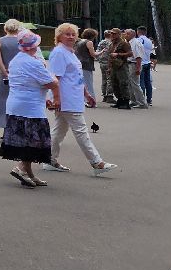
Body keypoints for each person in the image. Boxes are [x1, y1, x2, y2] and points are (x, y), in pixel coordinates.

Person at [43, 23, 117, 176]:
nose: (71, 36)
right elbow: (55, 78)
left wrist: (87, 94)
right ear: (59, 36)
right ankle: (97, 162)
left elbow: (76, 76)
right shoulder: (59, 53)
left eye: (73, 34)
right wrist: (56, 99)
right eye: (67, 34)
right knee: (81, 131)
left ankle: (48, 160)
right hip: (66, 99)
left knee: (59, 131)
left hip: (73, 97)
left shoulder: (70, 52)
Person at [0, 30, 59, 188]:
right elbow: (52, 83)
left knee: (27, 140)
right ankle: (20, 168)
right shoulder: (32, 62)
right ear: (35, 46)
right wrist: (56, 97)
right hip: (30, 107)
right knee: (35, 141)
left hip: (16, 105)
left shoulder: (17, 60)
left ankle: (29, 174)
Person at [110, 28, 135, 110]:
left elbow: (130, 53)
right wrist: (109, 67)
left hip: (122, 66)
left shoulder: (124, 43)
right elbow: (109, 56)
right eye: (111, 33)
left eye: (114, 34)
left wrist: (118, 54)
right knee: (114, 84)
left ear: (118, 34)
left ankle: (126, 102)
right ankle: (119, 100)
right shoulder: (112, 43)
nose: (112, 35)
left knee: (123, 84)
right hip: (114, 66)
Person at [131, 25, 155, 106]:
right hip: (147, 62)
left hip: (141, 63)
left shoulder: (138, 40)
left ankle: (142, 99)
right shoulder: (149, 41)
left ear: (138, 32)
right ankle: (149, 99)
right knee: (148, 82)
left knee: (140, 82)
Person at [77, 27, 100, 107]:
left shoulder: (80, 41)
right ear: (93, 35)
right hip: (87, 64)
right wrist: (101, 52)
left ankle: (83, 100)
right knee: (89, 83)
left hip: (79, 63)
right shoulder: (89, 42)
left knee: (81, 83)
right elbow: (93, 54)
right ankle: (92, 101)